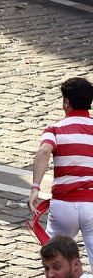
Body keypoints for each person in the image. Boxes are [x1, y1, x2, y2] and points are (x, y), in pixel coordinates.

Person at [30, 78, 93, 270]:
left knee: (56, 260)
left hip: (63, 205)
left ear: (66, 102)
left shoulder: (55, 129)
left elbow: (43, 152)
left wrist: (35, 188)